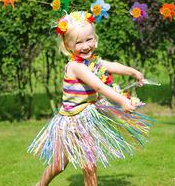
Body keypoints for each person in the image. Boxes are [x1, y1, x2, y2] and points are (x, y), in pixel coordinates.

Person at [28, 11, 152, 186]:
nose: (86, 46)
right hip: (73, 122)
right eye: (79, 42)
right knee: (66, 164)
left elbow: (111, 66)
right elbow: (99, 86)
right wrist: (122, 101)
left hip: (84, 119)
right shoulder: (75, 67)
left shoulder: (91, 61)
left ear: (95, 38)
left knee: (83, 164)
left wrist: (133, 72)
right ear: (67, 45)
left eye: (89, 39)